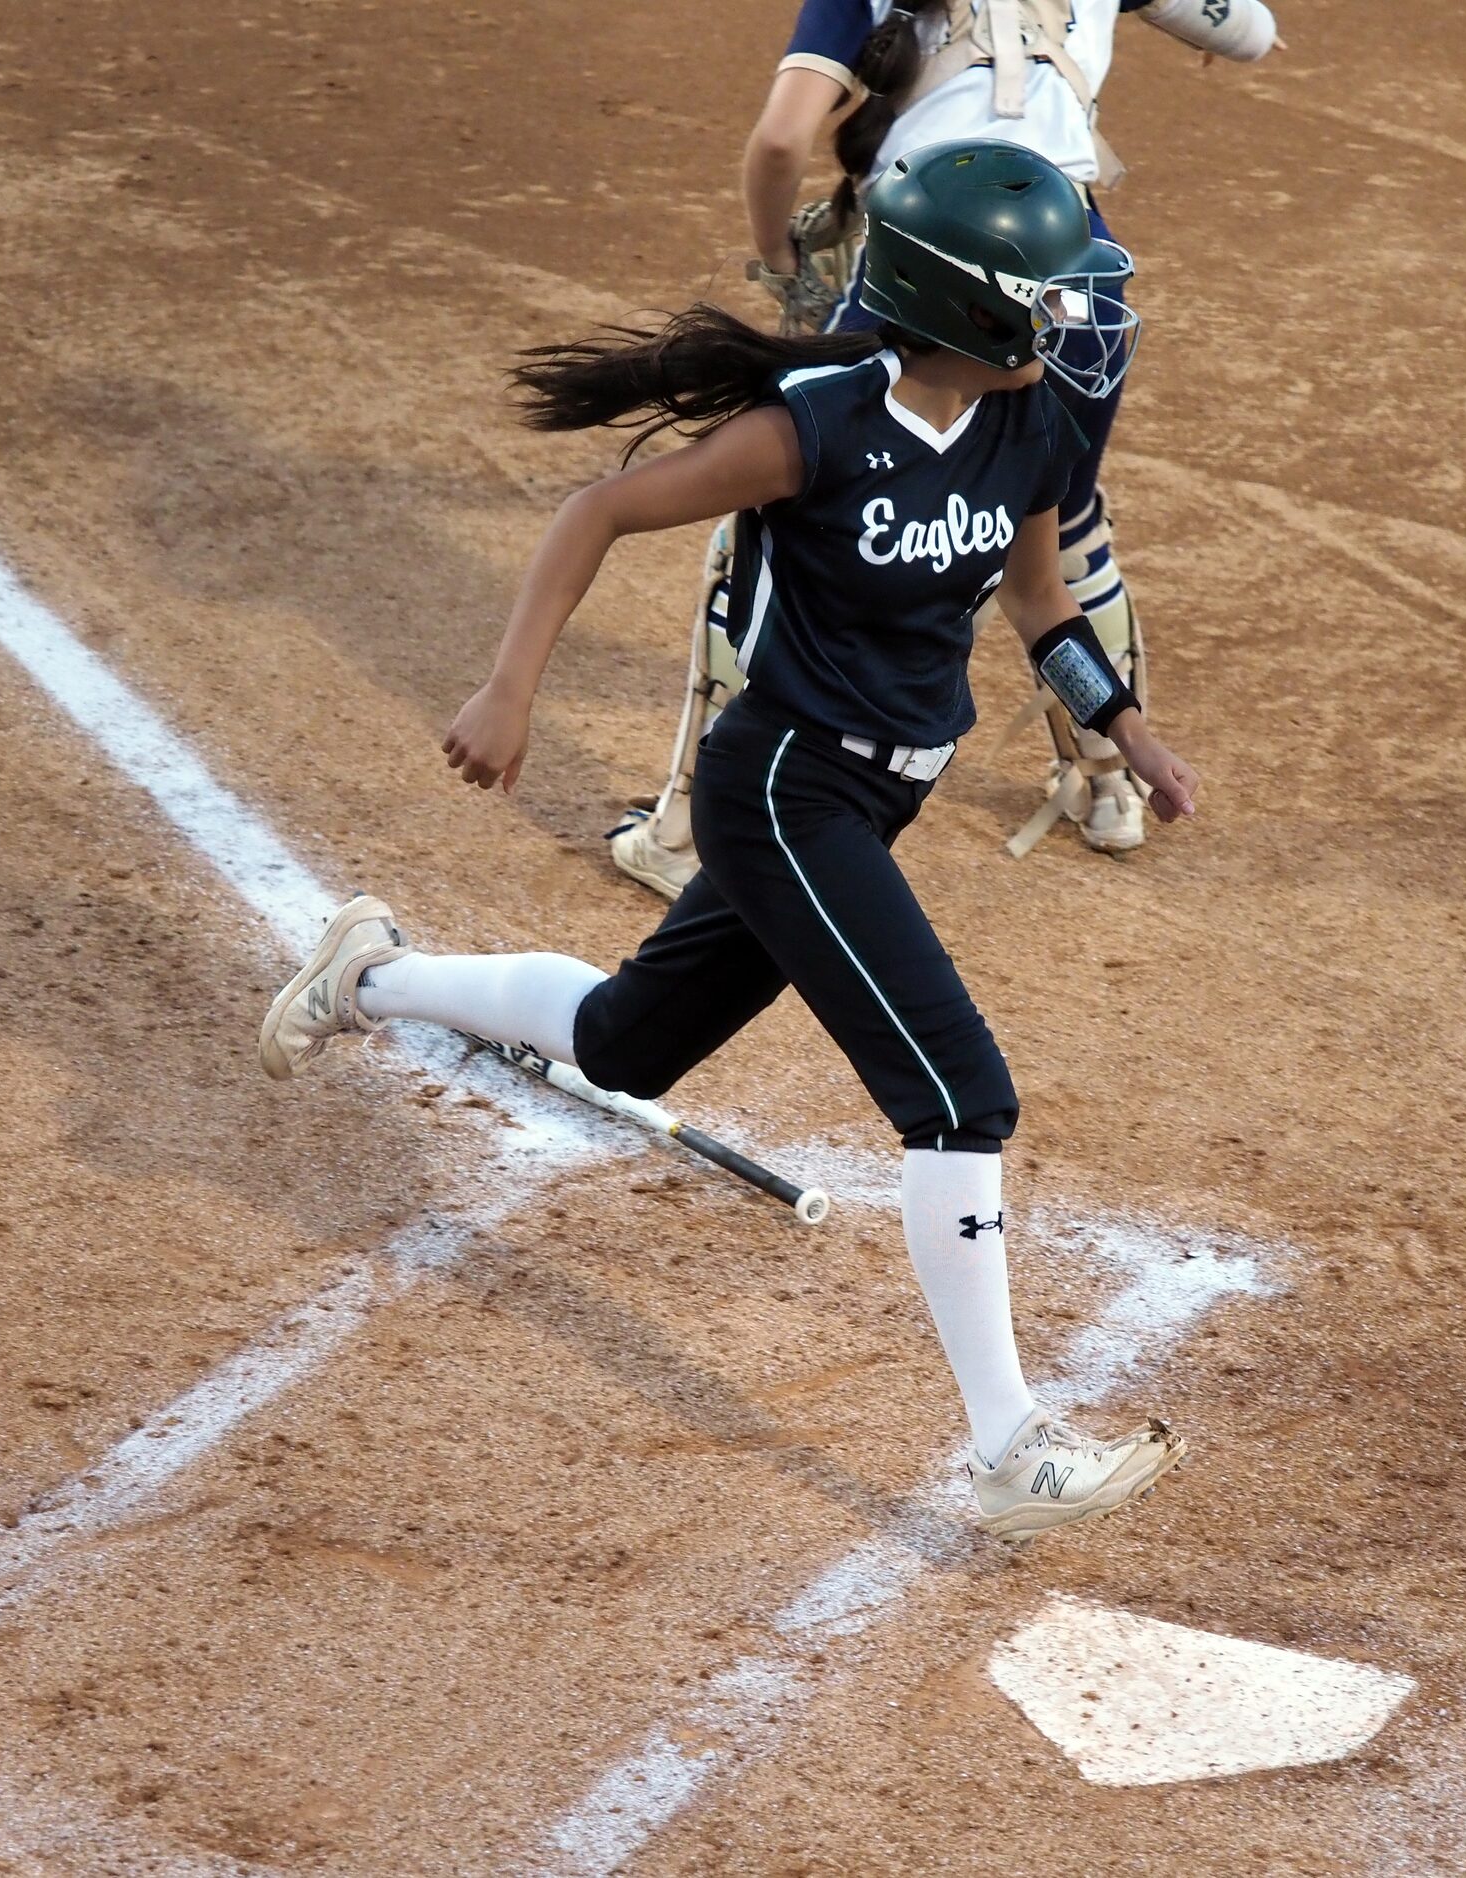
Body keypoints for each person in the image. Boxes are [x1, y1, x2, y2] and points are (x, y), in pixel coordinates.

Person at [262, 141, 1196, 1540]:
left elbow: (1040, 610)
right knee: (957, 1094)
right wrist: (508, 686)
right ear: (971, 310)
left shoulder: (1035, 430)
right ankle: (1009, 1444)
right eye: (1045, 296)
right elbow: (598, 510)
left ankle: (367, 973)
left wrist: (1119, 724)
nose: (1070, 320)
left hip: (882, 795)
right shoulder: (812, 426)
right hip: (782, 786)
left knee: (633, 1042)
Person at [608, 0, 1278, 899]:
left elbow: (780, 142)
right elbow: (1249, 29)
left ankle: (690, 830)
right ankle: (1107, 782)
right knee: (1061, 521)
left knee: (783, 514)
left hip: (937, 277)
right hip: (1079, 282)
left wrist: (785, 268)